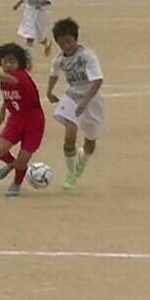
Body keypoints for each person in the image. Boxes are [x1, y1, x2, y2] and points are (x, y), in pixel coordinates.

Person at [46, 18, 104, 190]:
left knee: (90, 141)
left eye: (69, 42)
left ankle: (82, 161)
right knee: (70, 132)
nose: (66, 46)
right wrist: (49, 91)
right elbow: (54, 74)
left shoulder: (87, 56)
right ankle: (71, 173)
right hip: (71, 96)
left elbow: (97, 80)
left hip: (91, 99)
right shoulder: (59, 60)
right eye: (61, 43)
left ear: (75, 39)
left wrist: (85, 102)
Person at [0, 43, 44, 198]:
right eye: (5, 62)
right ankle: (11, 164)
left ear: (20, 63)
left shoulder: (21, 76)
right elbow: (10, 94)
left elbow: (12, 82)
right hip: (16, 119)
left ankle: (16, 183)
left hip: (34, 122)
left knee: (23, 161)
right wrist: (3, 109)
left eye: (12, 62)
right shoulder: (5, 80)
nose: (8, 65)